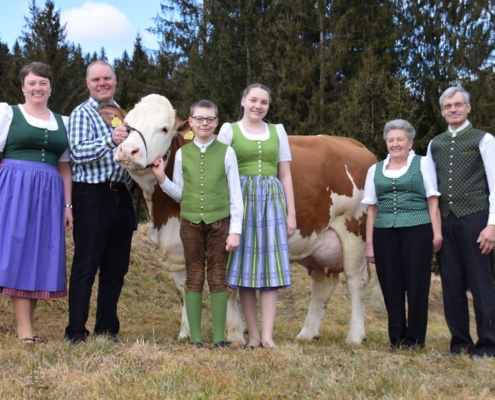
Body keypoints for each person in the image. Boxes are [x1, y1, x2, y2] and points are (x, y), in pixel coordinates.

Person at [151, 99, 243, 348]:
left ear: (217, 122)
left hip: (219, 224)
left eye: (210, 119)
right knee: (193, 275)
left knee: (216, 275)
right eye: (199, 119)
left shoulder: (227, 152)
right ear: (190, 122)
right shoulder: (182, 153)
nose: (205, 123)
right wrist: (161, 178)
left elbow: (236, 195)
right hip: (190, 223)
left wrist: (235, 231)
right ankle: (195, 337)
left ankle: (219, 338)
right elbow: (180, 193)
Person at [217, 83, 296, 348]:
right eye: (253, 100)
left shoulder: (278, 131)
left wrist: (291, 214)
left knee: (270, 270)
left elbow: (285, 174)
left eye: (263, 102)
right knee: (247, 272)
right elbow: (219, 171)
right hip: (241, 202)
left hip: (272, 201)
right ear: (242, 101)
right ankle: (252, 335)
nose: (258, 106)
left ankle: (267, 336)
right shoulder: (229, 130)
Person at [0, 62, 73, 344]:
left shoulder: (62, 122)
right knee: (16, 252)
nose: (37, 88)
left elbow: (65, 167)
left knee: (40, 254)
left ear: (50, 87)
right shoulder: (8, 114)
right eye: (31, 83)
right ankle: (24, 331)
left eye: (42, 83)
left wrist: (68, 206)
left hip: (50, 192)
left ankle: (26, 327)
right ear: (23, 87)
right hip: (13, 189)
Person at [65, 60, 135, 344]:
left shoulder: (126, 115)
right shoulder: (81, 113)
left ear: (115, 81)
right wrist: (111, 139)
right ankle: (76, 332)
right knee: (86, 265)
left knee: (116, 268)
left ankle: (106, 331)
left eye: (107, 78)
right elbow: (77, 154)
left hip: (122, 195)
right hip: (91, 196)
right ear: (88, 84)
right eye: (96, 79)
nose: (102, 83)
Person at [426, 86, 495, 358]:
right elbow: (432, 190)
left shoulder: (485, 140)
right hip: (446, 220)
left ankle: (488, 345)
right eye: (447, 106)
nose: (452, 109)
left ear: (468, 107)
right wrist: (434, 229)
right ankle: (460, 343)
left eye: (457, 104)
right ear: (443, 111)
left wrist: (492, 225)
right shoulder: (435, 144)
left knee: (481, 282)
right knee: (451, 283)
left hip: (477, 217)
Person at [362, 119, 442, 350]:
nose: (395, 144)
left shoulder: (423, 163)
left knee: (417, 284)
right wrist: (369, 244)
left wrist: (436, 233)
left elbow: (432, 200)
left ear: (410, 142)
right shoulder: (374, 169)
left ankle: (415, 340)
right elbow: (372, 208)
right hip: (384, 232)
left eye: (400, 139)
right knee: (391, 285)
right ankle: (396, 339)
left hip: (418, 229)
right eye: (390, 140)